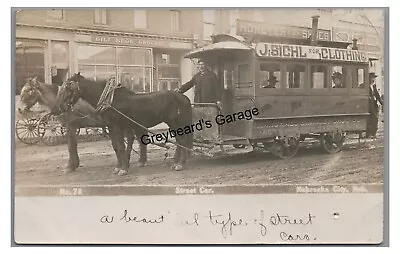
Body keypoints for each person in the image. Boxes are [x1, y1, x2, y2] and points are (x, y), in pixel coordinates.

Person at [360, 72, 383, 138]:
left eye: (374, 78)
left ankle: (373, 134)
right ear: (368, 78)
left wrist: (382, 102)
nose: (373, 79)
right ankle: (369, 134)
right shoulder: (363, 86)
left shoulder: (374, 86)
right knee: (370, 119)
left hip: (373, 104)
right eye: (372, 78)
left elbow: (377, 95)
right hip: (367, 104)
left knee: (375, 118)